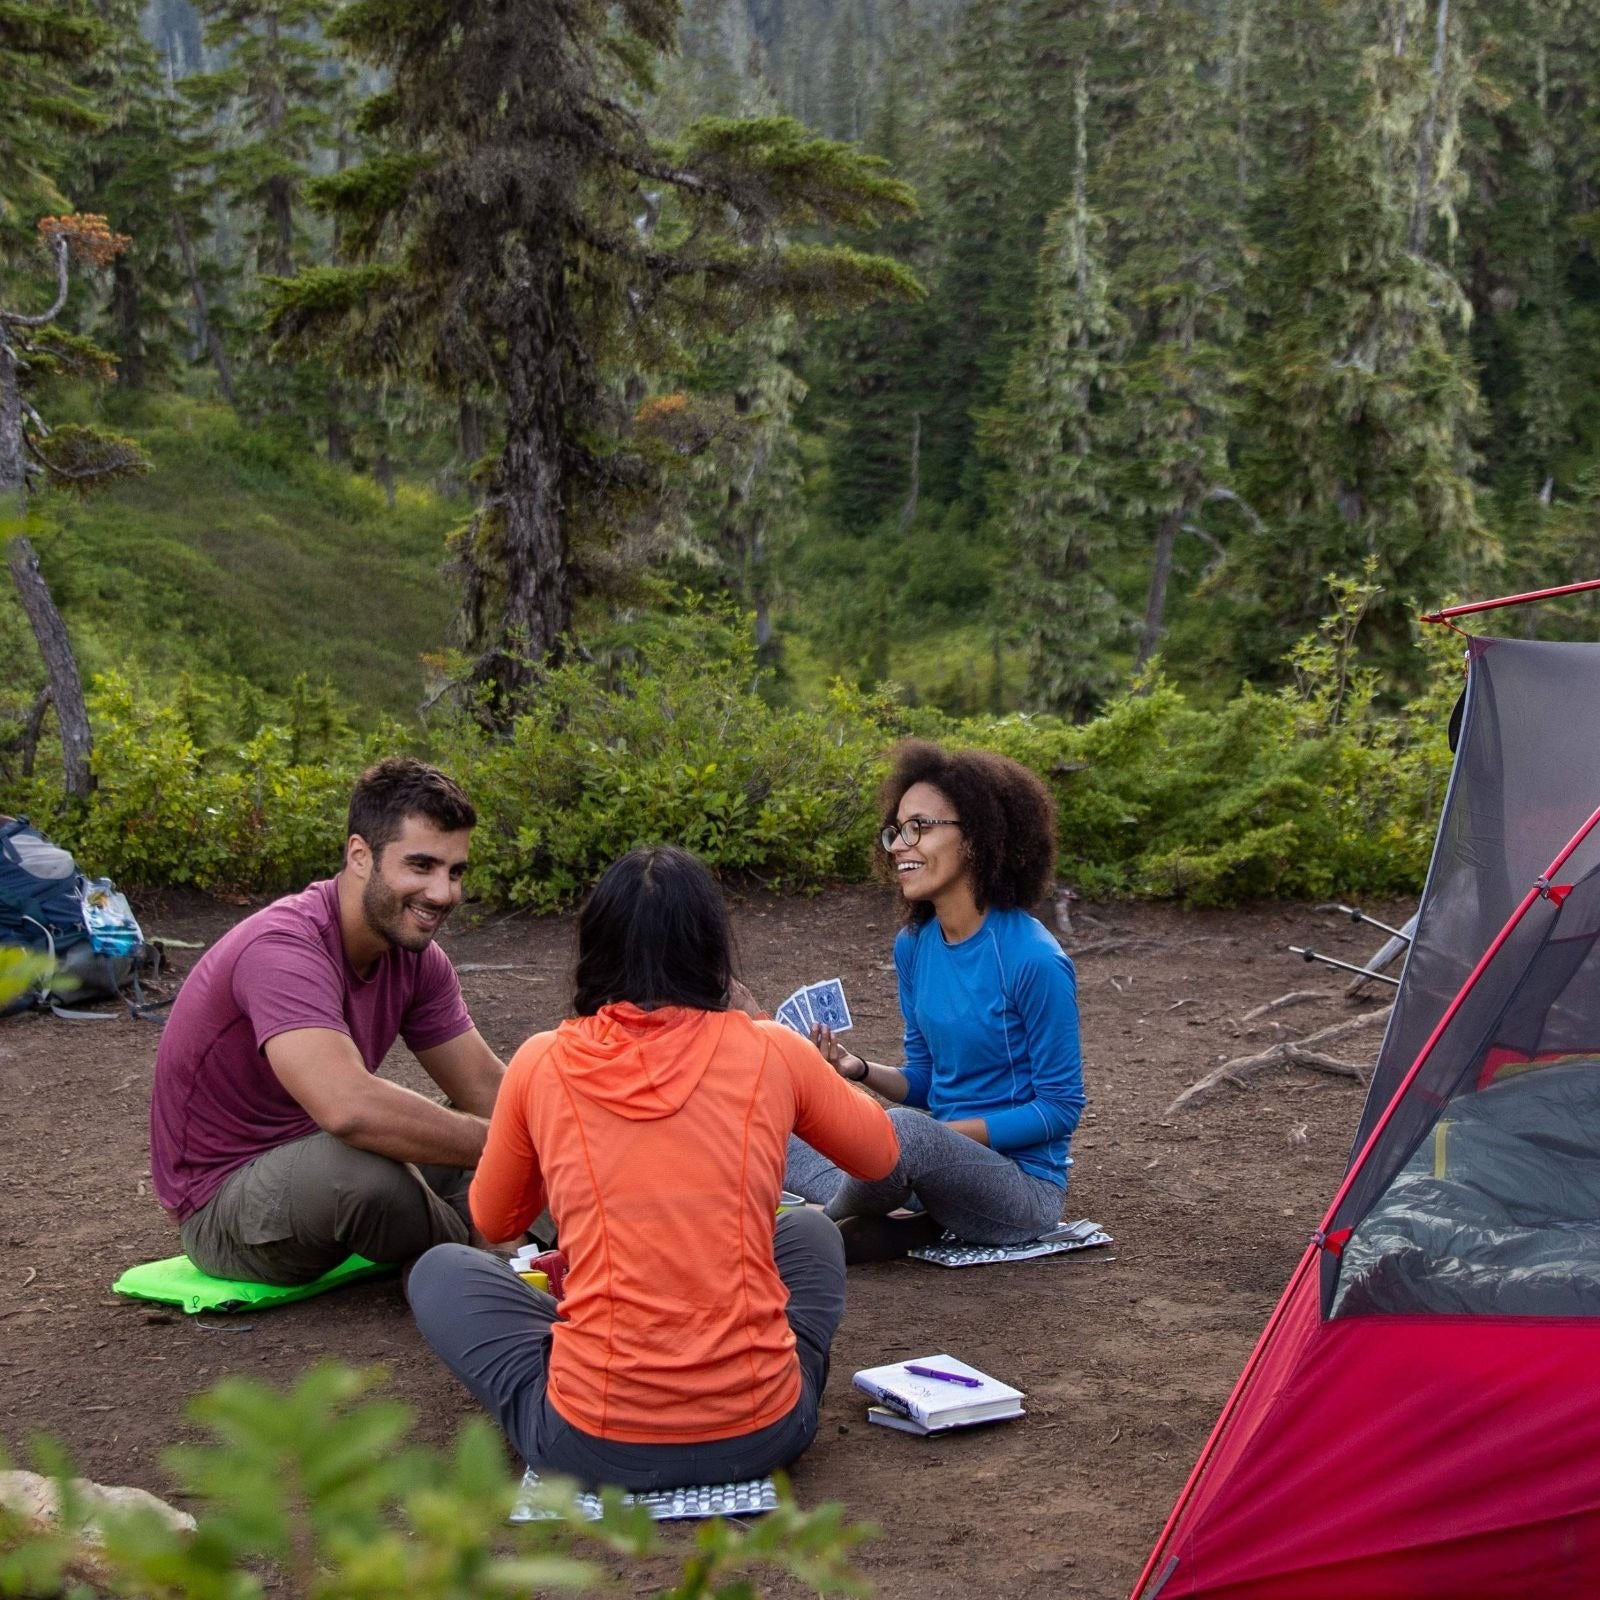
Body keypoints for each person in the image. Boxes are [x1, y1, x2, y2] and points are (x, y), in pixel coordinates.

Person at [406, 845, 898, 1492]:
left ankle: (579, 1381)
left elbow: (496, 1219)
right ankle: (760, 1378)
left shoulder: (541, 1062)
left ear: (593, 951)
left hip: (593, 1448)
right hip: (767, 1432)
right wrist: (763, 1037)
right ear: (715, 955)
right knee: (810, 1232)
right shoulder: (771, 1047)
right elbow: (881, 1154)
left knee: (441, 1270)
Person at [149, 757, 506, 1285]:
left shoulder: (414, 955)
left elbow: (485, 1087)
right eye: (422, 866)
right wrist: (506, 1150)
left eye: (455, 872)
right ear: (360, 855)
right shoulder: (283, 948)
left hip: (322, 1155)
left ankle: (562, 1242)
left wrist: (568, 1141)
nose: (443, 892)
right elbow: (350, 1110)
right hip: (224, 1204)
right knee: (369, 1177)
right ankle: (491, 1269)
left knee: (505, 1131)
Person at [785, 739, 1085, 1262]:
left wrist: (931, 1137)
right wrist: (854, 1069)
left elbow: (1060, 1109)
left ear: (976, 837)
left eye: (919, 827)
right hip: (932, 1167)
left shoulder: (1034, 959)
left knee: (901, 1134)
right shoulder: (915, 946)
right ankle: (893, 1220)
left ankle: (812, 1227)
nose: (899, 845)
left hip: (1019, 1190)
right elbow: (926, 1081)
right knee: (787, 1118)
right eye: (896, 831)